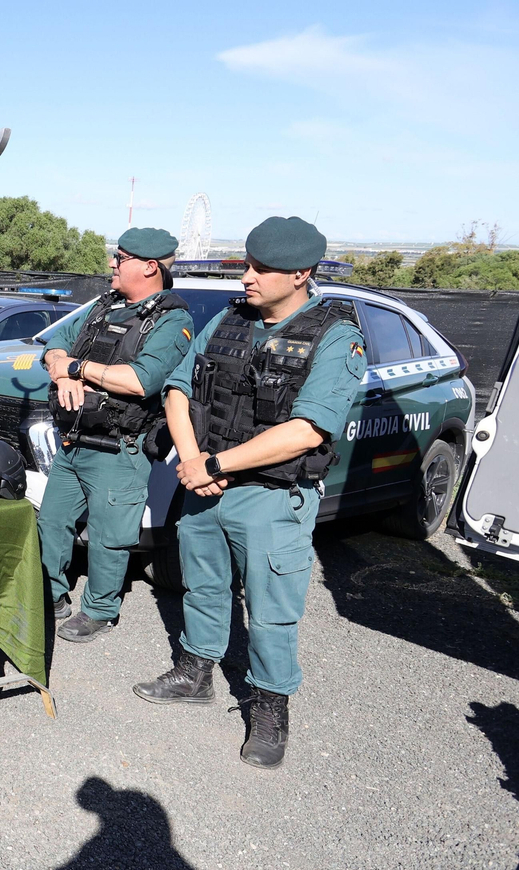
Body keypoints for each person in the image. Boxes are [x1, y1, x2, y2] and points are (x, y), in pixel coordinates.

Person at [132, 217, 366, 770]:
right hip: (205, 485)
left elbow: (307, 430)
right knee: (202, 586)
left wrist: (215, 463)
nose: (247, 277)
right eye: (247, 264)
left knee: (270, 611)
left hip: (270, 495)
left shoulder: (336, 335)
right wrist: (192, 462)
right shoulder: (230, 321)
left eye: (262, 269)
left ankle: (269, 706)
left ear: (301, 274)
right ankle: (195, 673)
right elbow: (178, 389)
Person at [36, 228, 195, 642]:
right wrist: (60, 366)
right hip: (73, 440)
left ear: (149, 266)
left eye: (119, 257)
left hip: (120, 448)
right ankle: (52, 595)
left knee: (110, 537)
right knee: (52, 522)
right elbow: (54, 345)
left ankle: (100, 609)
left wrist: (77, 369)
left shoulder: (172, 320)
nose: (111, 263)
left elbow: (142, 381)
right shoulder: (104, 306)